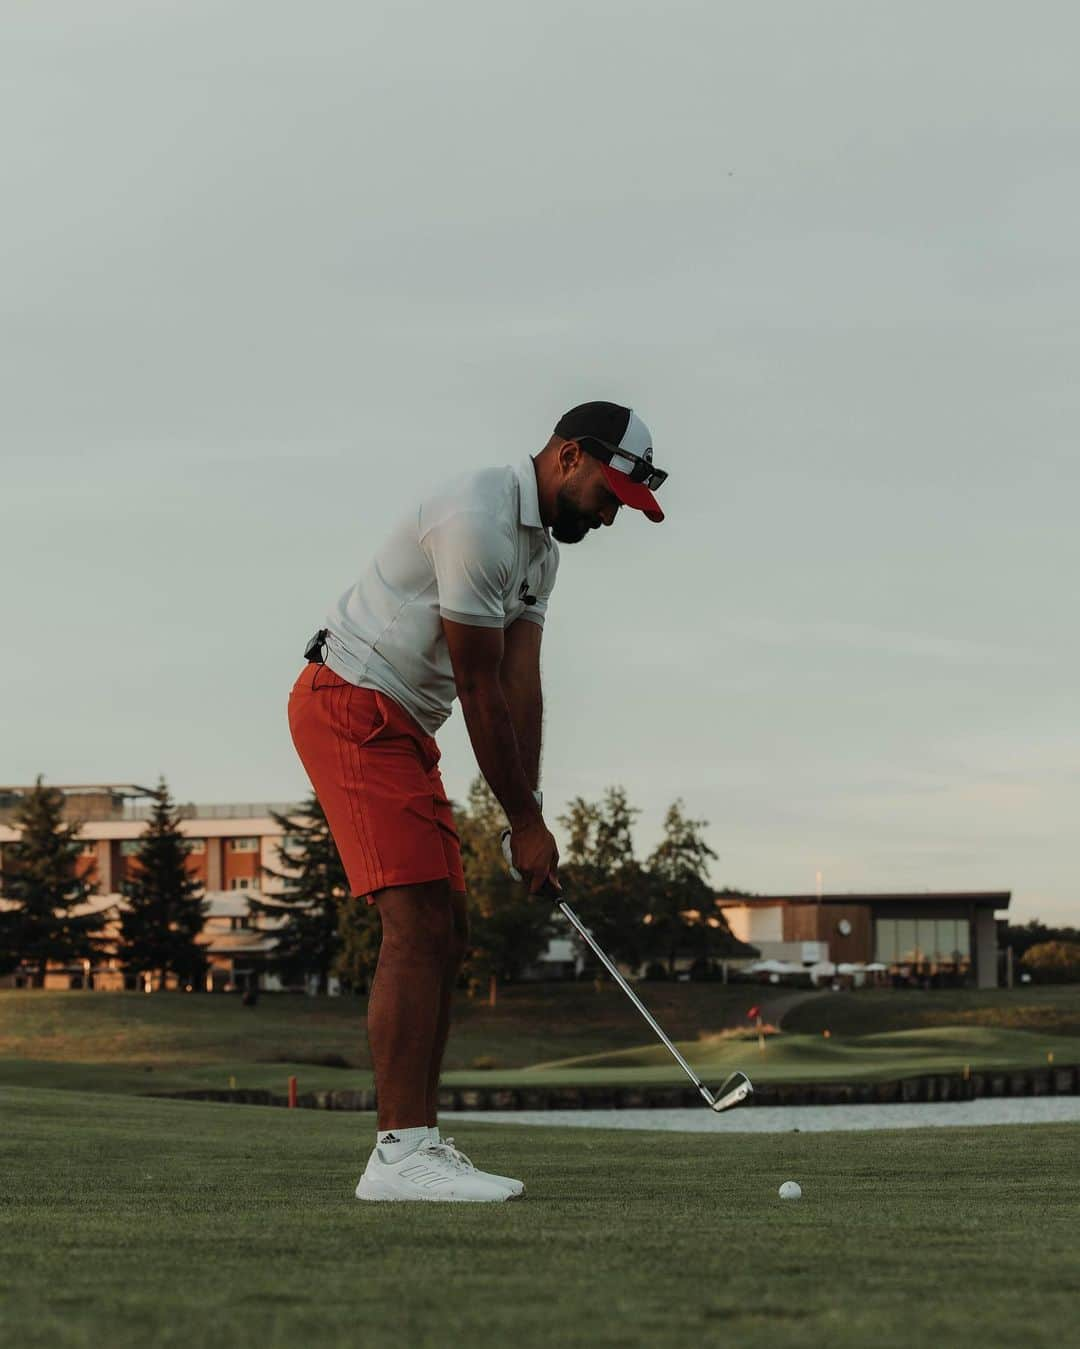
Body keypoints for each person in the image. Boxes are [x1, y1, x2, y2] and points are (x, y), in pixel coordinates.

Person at [288, 400, 668, 1202]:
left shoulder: (542, 556)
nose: (609, 518)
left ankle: (417, 1139)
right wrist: (522, 826)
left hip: (403, 724)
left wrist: (527, 811)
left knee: (449, 929)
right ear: (570, 456)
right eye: (610, 497)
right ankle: (397, 1155)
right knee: (416, 924)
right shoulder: (479, 517)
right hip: (351, 702)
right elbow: (475, 682)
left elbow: (520, 683)